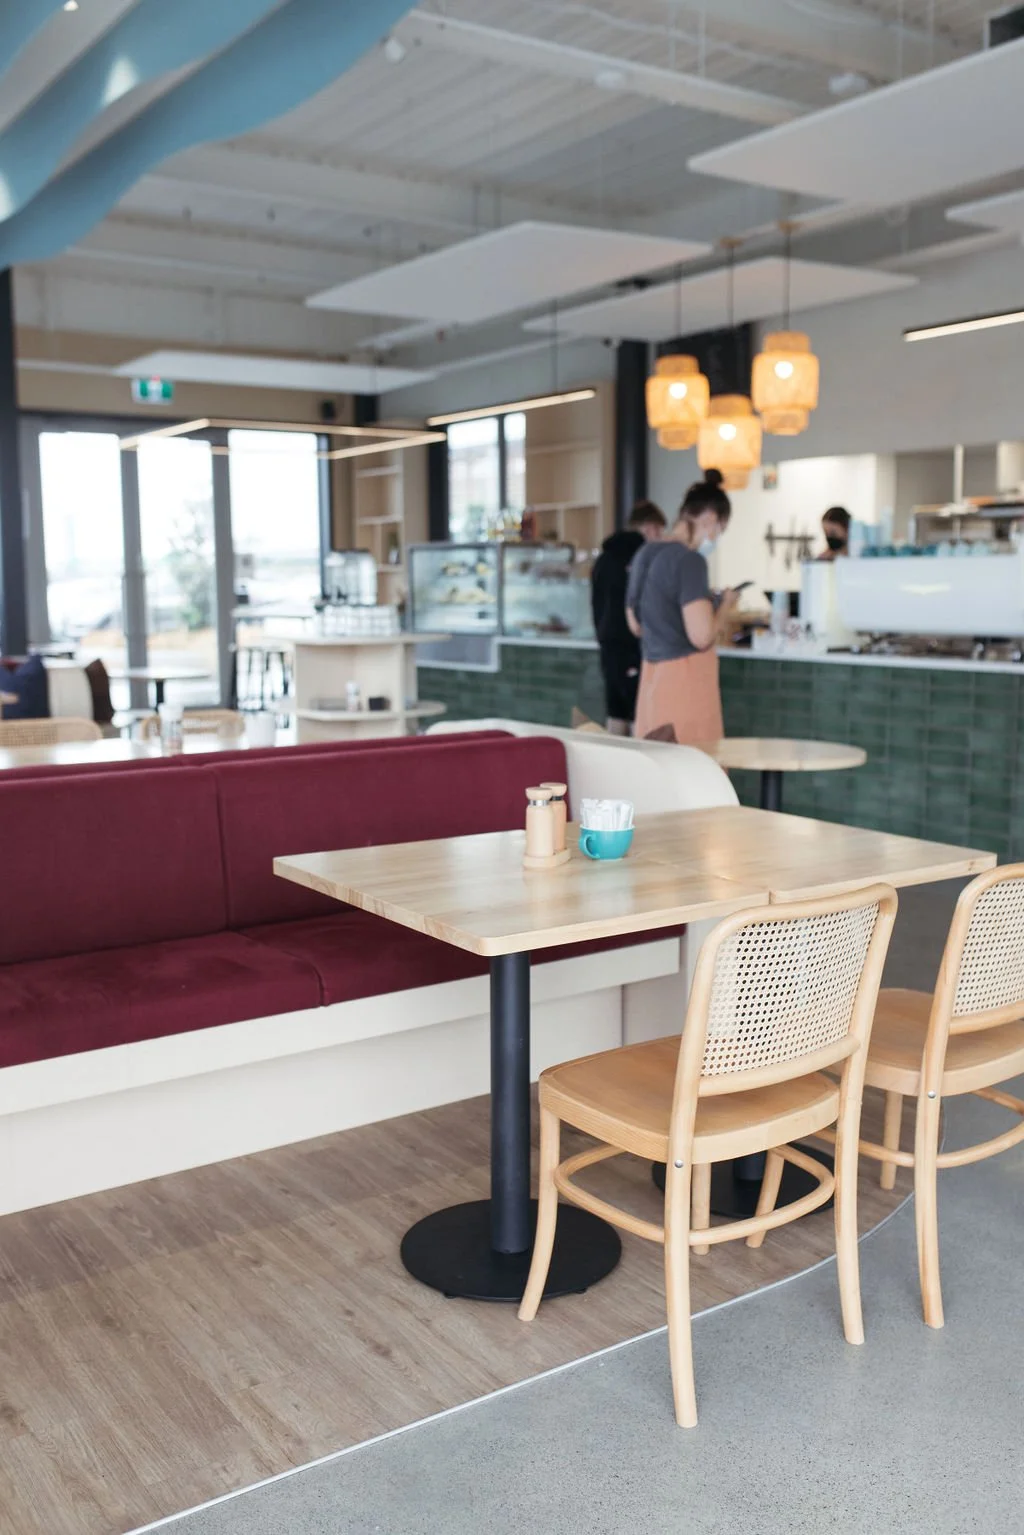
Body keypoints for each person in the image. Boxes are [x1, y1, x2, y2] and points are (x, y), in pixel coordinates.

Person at [626, 470, 737, 745]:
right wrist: (725, 606)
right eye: (720, 529)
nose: (716, 536)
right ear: (711, 518)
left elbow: (636, 625)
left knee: (656, 774)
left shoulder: (645, 554)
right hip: (685, 685)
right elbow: (701, 636)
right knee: (694, 774)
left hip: (652, 681)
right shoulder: (690, 561)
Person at [590, 499, 667, 734]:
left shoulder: (604, 557)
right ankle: (637, 768)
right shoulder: (640, 559)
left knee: (616, 712)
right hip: (631, 645)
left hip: (607, 646)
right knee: (637, 714)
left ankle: (615, 767)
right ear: (650, 527)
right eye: (659, 531)